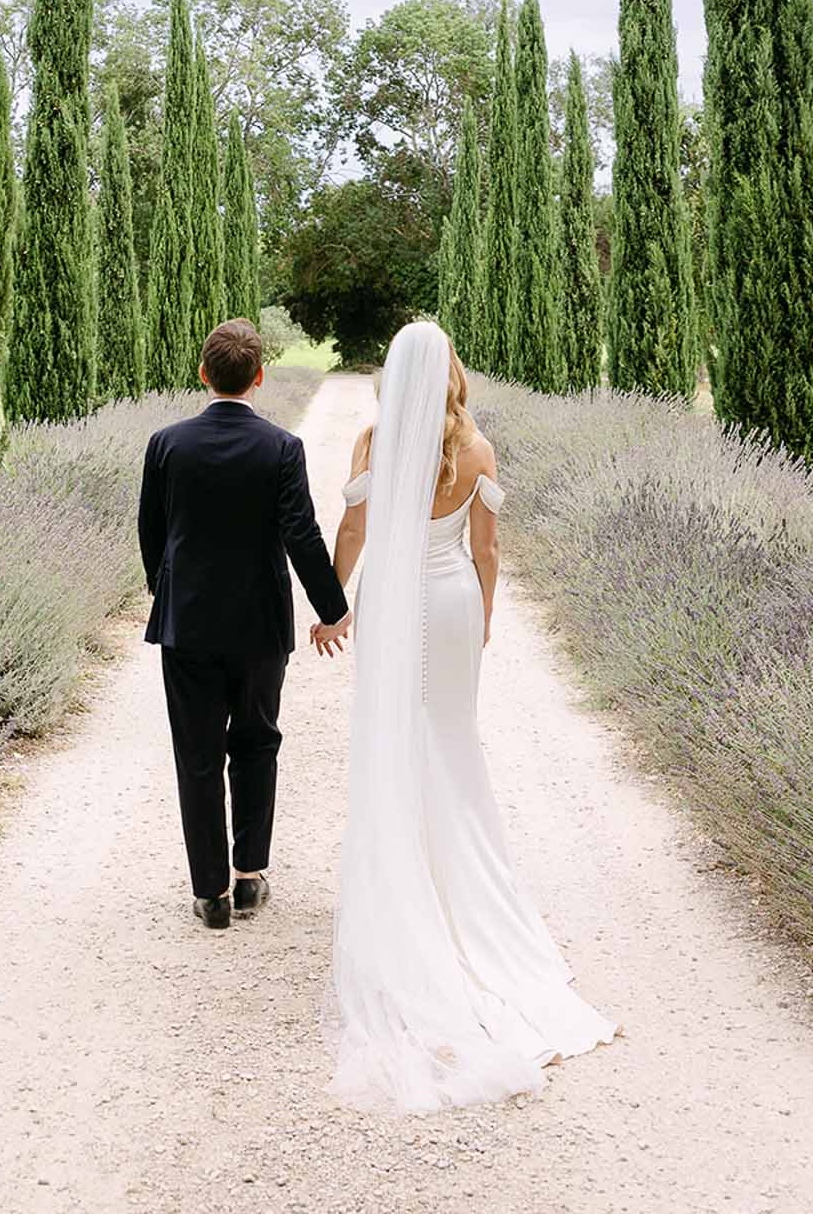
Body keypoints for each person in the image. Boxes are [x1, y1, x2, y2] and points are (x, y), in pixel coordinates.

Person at [321, 317, 617, 1110]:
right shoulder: (477, 450)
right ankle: (463, 890)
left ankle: (405, 874)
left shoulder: (374, 445)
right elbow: (487, 551)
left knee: (394, 734)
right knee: (452, 740)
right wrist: (485, 614)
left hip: (390, 603)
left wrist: (334, 604)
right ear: (450, 370)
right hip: (448, 601)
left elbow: (354, 527)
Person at [137, 318, 350, 929]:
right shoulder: (282, 448)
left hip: (188, 625)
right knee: (258, 742)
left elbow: (152, 533)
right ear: (259, 377)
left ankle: (210, 893)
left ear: (203, 374)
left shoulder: (166, 444)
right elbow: (301, 535)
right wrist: (332, 609)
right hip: (260, 626)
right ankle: (250, 874)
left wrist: (168, 592)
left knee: (197, 753)